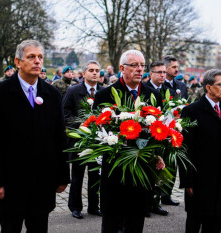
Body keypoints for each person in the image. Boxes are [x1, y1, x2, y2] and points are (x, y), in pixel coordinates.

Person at [0, 40, 70, 233]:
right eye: (31, 57)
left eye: (40, 57)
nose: (37, 61)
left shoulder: (52, 94)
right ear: (18, 62)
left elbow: (59, 137)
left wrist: (63, 175)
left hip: (42, 182)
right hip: (11, 181)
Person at [93, 50, 163, 233]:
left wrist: (158, 154)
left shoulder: (153, 95)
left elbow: (160, 130)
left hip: (142, 171)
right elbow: (98, 132)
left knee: (136, 222)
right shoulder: (105, 95)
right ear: (122, 68)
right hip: (115, 171)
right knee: (111, 223)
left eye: (142, 65)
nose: (140, 69)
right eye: (134, 65)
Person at [180, 69, 221, 233]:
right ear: (208, 87)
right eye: (220, 85)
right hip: (200, 180)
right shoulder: (192, 111)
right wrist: (187, 180)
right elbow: (185, 149)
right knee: (195, 223)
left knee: (215, 223)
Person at [63, 60, 105, 219]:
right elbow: (65, 112)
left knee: (96, 175)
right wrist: (80, 124)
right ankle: (75, 206)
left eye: (97, 70)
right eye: (91, 70)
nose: (95, 73)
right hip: (79, 140)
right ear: (83, 73)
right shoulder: (73, 91)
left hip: (98, 141)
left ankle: (94, 206)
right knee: (77, 175)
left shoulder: (103, 91)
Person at [144, 61, 176, 216]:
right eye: (159, 72)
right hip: (148, 136)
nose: (163, 75)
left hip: (164, 134)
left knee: (160, 169)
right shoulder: (145, 90)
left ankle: (156, 202)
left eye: (164, 72)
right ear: (151, 73)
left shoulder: (169, 90)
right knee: (148, 171)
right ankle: (146, 203)